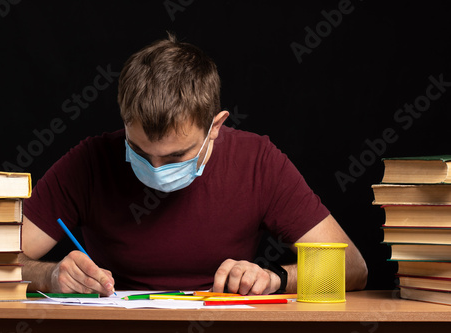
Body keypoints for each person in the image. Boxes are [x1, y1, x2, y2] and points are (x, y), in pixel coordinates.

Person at [20, 34, 368, 296]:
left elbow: (352, 268)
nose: (156, 168)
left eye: (175, 157)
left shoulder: (257, 161)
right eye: (140, 151)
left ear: (215, 127)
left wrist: (276, 277)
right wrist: (48, 276)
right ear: (125, 123)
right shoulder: (90, 162)